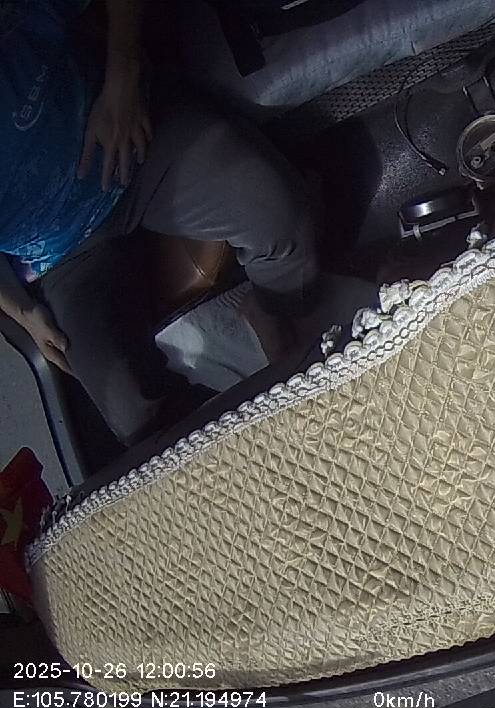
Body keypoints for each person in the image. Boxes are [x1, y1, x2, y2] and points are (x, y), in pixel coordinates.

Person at [0, 0, 319, 446]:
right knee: (135, 419)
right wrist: (22, 311)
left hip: (127, 140)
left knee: (278, 212)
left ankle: (272, 311)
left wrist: (122, 79)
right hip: (59, 251)